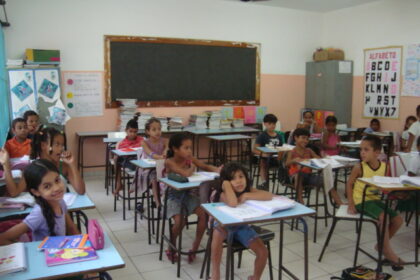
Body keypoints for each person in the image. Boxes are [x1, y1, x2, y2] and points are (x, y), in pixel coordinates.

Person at [346, 135, 404, 271]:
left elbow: (384, 185)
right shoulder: (359, 167)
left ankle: (380, 245)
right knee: (384, 217)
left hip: (375, 200)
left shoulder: (384, 167)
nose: (362, 153)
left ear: (377, 152)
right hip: (361, 201)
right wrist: (351, 203)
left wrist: (397, 193)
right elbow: (349, 184)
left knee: (398, 220)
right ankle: (389, 253)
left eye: (366, 150)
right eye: (361, 150)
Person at [164, 132, 220, 263]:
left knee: (203, 215)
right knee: (179, 222)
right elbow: (185, 174)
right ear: (175, 149)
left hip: (188, 195)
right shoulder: (169, 162)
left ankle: (194, 247)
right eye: (186, 148)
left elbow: (206, 166)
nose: (189, 151)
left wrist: (218, 170)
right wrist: (193, 168)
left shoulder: (190, 159)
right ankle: (171, 246)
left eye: (190, 147)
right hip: (173, 197)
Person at [210, 162, 272, 280]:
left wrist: (247, 195)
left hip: (241, 227)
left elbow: (268, 195)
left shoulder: (247, 191)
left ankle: (255, 277)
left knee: (263, 252)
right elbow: (233, 203)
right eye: (233, 179)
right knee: (217, 233)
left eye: (241, 176)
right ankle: (215, 274)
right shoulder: (223, 194)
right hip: (223, 226)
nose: (238, 181)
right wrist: (226, 185)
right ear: (226, 182)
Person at [0, 159, 79, 244]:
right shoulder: (39, 213)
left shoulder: (60, 202)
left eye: (57, 180)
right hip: (44, 256)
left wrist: (84, 245)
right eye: (47, 186)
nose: (56, 188)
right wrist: (28, 252)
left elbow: (71, 228)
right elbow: (3, 238)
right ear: (36, 192)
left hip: (59, 252)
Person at [31, 127, 85, 195]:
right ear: (43, 145)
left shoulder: (63, 166)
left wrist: (72, 164)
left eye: (62, 145)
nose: (61, 149)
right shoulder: (33, 169)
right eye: (57, 144)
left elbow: (81, 191)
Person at [139, 117, 168, 207]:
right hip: (149, 169)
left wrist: (164, 154)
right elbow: (150, 153)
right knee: (154, 178)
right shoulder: (144, 142)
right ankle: (157, 202)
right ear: (148, 131)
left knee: (169, 177)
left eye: (159, 129)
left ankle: (166, 198)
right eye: (154, 129)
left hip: (163, 167)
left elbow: (167, 150)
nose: (157, 132)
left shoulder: (166, 141)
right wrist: (160, 157)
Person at [285, 128, 320, 203]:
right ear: (296, 138)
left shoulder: (309, 150)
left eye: (307, 139)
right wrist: (294, 160)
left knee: (325, 179)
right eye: (303, 138)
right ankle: (300, 200)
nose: (305, 141)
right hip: (295, 176)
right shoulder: (292, 151)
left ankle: (337, 201)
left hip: (308, 176)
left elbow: (318, 159)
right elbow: (286, 163)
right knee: (298, 175)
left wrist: (321, 157)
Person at [113, 113, 143, 195]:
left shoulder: (141, 140)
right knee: (117, 159)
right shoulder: (122, 143)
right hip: (129, 162)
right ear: (126, 130)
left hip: (140, 161)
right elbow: (120, 154)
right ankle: (119, 183)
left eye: (135, 132)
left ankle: (138, 184)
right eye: (130, 131)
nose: (133, 134)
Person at [253, 113, 283, 190]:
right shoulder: (262, 135)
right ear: (265, 124)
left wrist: (281, 154)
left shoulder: (279, 136)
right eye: (270, 123)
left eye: (274, 124)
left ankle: (284, 178)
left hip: (276, 158)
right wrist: (263, 154)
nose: (272, 125)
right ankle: (264, 182)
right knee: (263, 162)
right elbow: (255, 150)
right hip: (266, 158)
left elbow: (281, 148)